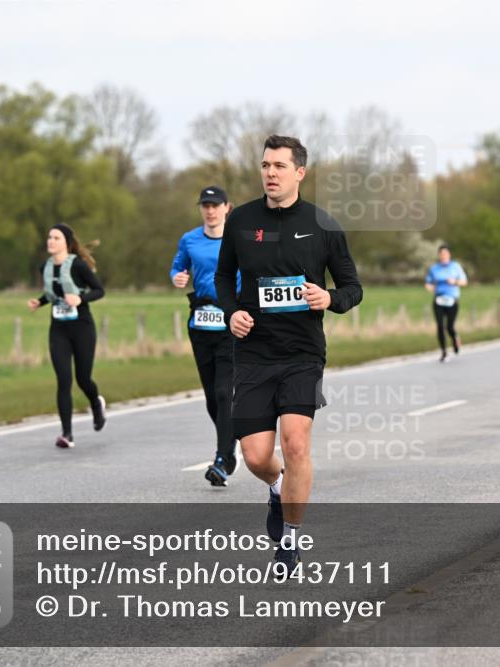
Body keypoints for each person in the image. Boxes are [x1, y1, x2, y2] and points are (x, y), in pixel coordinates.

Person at [214, 135, 362, 576]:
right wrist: (232, 312)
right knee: (257, 456)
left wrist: (328, 299)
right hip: (254, 354)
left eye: (279, 166)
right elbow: (223, 279)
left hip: (302, 354)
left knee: (295, 444)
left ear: (299, 172)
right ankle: (278, 488)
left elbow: (353, 287)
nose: (270, 173)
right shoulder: (241, 220)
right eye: (265, 165)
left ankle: (290, 545)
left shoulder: (323, 224)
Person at [171, 186, 242, 487]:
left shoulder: (239, 239)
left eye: (215, 205)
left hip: (230, 323)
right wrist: (177, 277)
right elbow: (177, 267)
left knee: (226, 393)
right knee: (212, 398)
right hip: (200, 324)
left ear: (227, 207)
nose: (210, 211)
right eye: (205, 206)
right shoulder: (189, 240)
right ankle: (231, 442)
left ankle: (222, 459)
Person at [28, 224, 106, 448]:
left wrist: (81, 299)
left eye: (56, 237)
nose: (50, 241)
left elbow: (99, 290)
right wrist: (40, 302)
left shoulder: (79, 266)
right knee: (63, 380)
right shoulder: (45, 266)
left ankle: (95, 403)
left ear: (67, 242)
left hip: (82, 327)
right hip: (58, 329)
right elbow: (54, 292)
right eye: (49, 237)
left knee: (83, 379)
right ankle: (67, 434)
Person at [425, 244, 468, 361]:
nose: (443, 255)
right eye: (441, 253)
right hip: (438, 299)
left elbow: (464, 282)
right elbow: (428, 283)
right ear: (439, 255)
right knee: (439, 326)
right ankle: (444, 351)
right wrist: (430, 287)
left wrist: (454, 282)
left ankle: (455, 339)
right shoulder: (434, 268)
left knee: (449, 326)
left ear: (449, 254)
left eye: (445, 253)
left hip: (452, 300)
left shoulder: (455, 267)